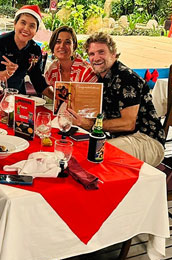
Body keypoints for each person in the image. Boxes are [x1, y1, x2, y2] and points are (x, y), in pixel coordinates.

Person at [69, 32, 165, 167]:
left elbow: (128, 124)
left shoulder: (126, 78)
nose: (96, 58)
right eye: (92, 54)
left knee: (94, 153)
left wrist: (90, 125)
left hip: (146, 140)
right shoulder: (103, 78)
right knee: (78, 146)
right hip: (121, 139)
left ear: (113, 53)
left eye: (101, 52)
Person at [0, 5, 53, 98]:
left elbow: (37, 80)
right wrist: (7, 72)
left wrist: (57, 98)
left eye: (32, 26)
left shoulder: (35, 50)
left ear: (36, 31)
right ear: (15, 24)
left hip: (15, 93)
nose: (26, 28)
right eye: (23, 23)